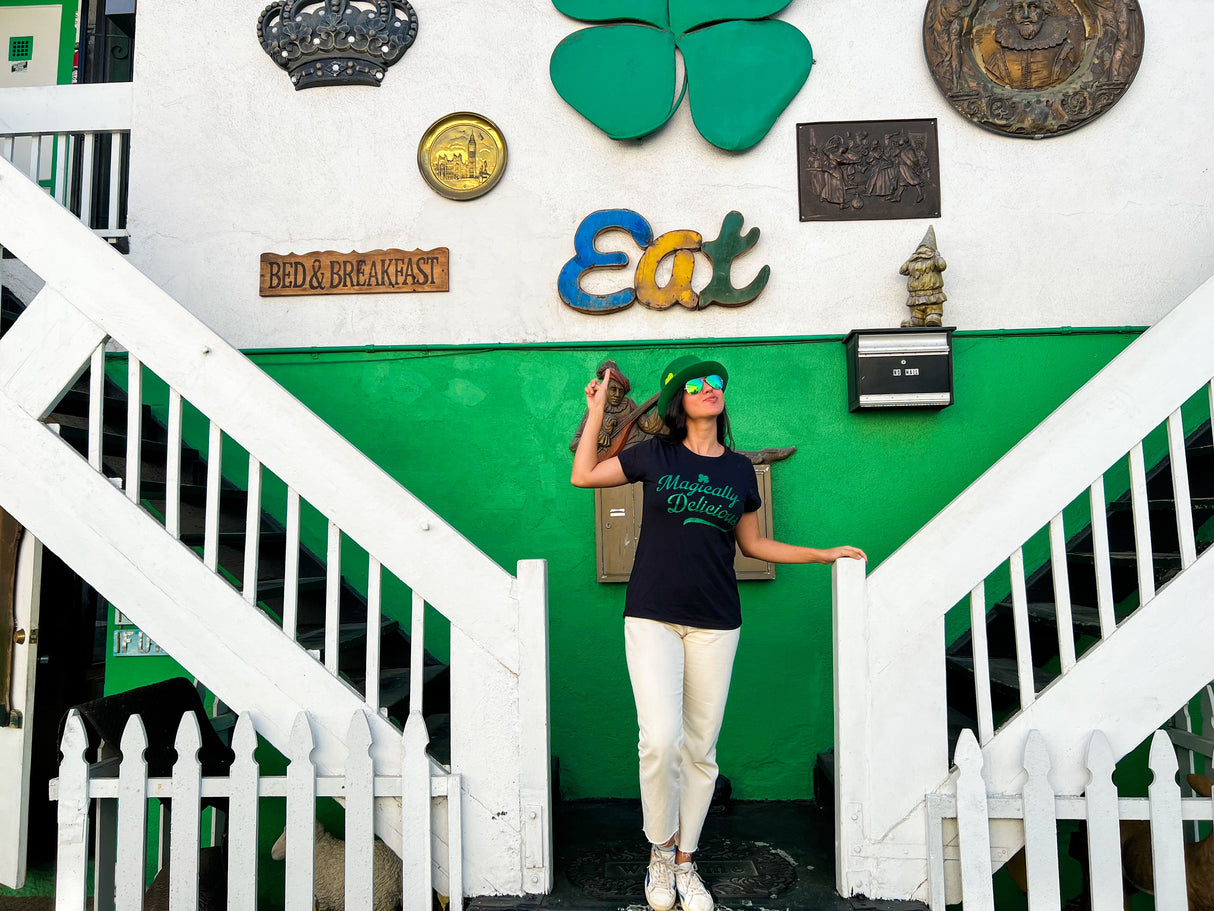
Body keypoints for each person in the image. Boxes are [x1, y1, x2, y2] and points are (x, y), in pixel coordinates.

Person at [570, 355, 866, 911]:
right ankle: (659, 852)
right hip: (652, 614)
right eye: (697, 384)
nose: (709, 389)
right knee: (660, 741)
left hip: (716, 622)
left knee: (701, 751)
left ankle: (687, 862)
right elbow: (584, 475)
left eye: (717, 383)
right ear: (678, 399)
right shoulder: (653, 454)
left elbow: (754, 546)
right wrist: (593, 413)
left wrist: (820, 553)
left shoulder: (737, 470)